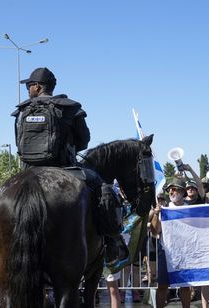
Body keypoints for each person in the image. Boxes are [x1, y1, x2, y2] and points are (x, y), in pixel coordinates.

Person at [11, 66, 127, 266]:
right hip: (65, 168)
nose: (28, 89)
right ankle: (112, 241)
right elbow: (84, 141)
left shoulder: (22, 110)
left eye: (30, 85)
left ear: (38, 87)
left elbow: (18, 143)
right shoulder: (70, 108)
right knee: (103, 189)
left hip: (28, 170)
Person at [148, 177, 199, 308]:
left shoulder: (189, 209)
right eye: (170, 189)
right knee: (162, 285)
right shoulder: (164, 209)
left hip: (184, 253)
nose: (171, 191)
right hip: (167, 251)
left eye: (175, 189)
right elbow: (156, 231)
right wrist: (156, 215)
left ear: (183, 192)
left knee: (184, 286)